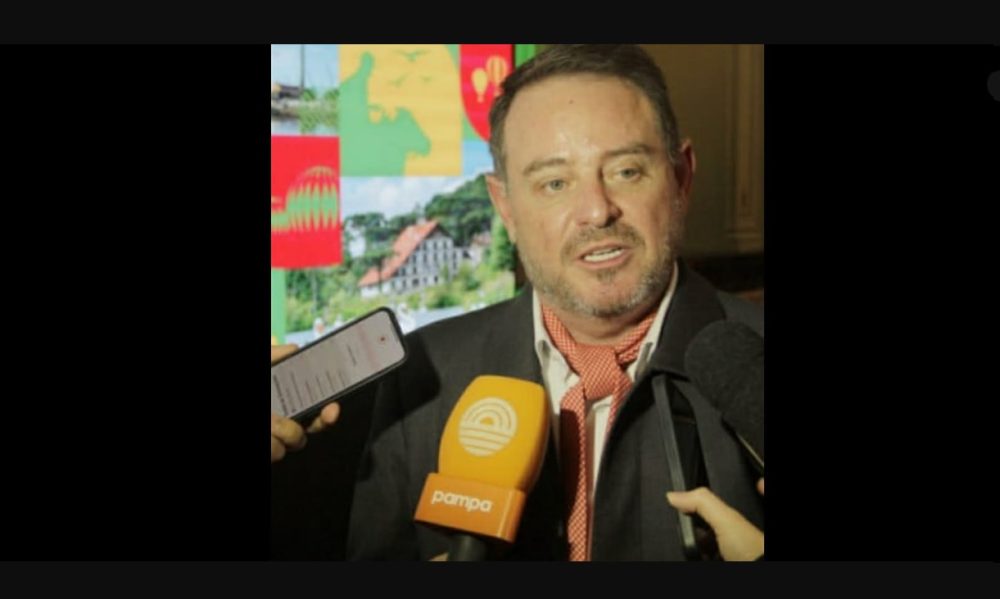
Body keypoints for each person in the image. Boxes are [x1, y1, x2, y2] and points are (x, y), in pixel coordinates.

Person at [275, 44, 765, 561]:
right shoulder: (420, 376)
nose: (596, 211)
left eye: (626, 171)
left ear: (681, 178)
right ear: (505, 207)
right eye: (554, 183)